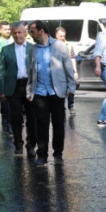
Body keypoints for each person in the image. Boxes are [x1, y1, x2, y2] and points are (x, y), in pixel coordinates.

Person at [27, 20, 77, 165]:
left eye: (33, 31)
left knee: (58, 124)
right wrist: (29, 92)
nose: (31, 34)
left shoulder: (59, 46)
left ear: (41, 31)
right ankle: (42, 155)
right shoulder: (32, 50)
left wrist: (71, 88)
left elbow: (68, 68)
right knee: (41, 125)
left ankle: (58, 154)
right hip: (40, 93)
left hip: (57, 92)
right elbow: (31, 73)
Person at [0, 22, 36, 156]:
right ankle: (18, 144)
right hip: (13, 87)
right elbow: (2, 72)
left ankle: (31, 145)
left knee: (32, 117)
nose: (17, 35)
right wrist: (2, 90)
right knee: (16, 117)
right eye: (14, 33)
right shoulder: (6, 50)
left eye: (20, 32)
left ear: (25, 33)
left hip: (29, 85)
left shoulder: (33, 48)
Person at [54, 25, 78, 111]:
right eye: (60, 36)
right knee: (60, 89)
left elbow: (72, 58)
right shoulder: (52, 45)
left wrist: (75, 71)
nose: (62, 38)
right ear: (56, 35)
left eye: (64, 36)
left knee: (71, 87)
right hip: (58, 71)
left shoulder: (69, 45)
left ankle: (71, 106)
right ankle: (61, 106)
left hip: (68, 70)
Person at [0, 21, 13, 129]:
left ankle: (9, 120)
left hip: (11, 73)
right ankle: (4, 117)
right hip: (0, 71)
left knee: (10, 97)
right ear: (0, 30)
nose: (7, 31)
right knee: (3, 96)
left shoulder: (13, 40)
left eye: (8, 29)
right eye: (5, 29)